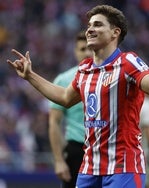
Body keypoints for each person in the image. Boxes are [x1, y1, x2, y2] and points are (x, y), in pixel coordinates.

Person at [7, 4, 149, 188]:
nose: (90, 29)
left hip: (123, 166)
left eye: (97, 25)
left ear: (115, 32)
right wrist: (30, 76)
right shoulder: (85, 69)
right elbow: (64, 97)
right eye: (89, 25)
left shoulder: (128, 63)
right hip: (89, 167)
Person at [48, 31, 92, 188]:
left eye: (90, 48)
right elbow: (54, 121)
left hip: (104, 147)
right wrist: (59, 160)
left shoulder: (109, 75)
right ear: (75, 51)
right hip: (76, 148)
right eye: (82, 49)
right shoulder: (64, 79)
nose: (87, 52)